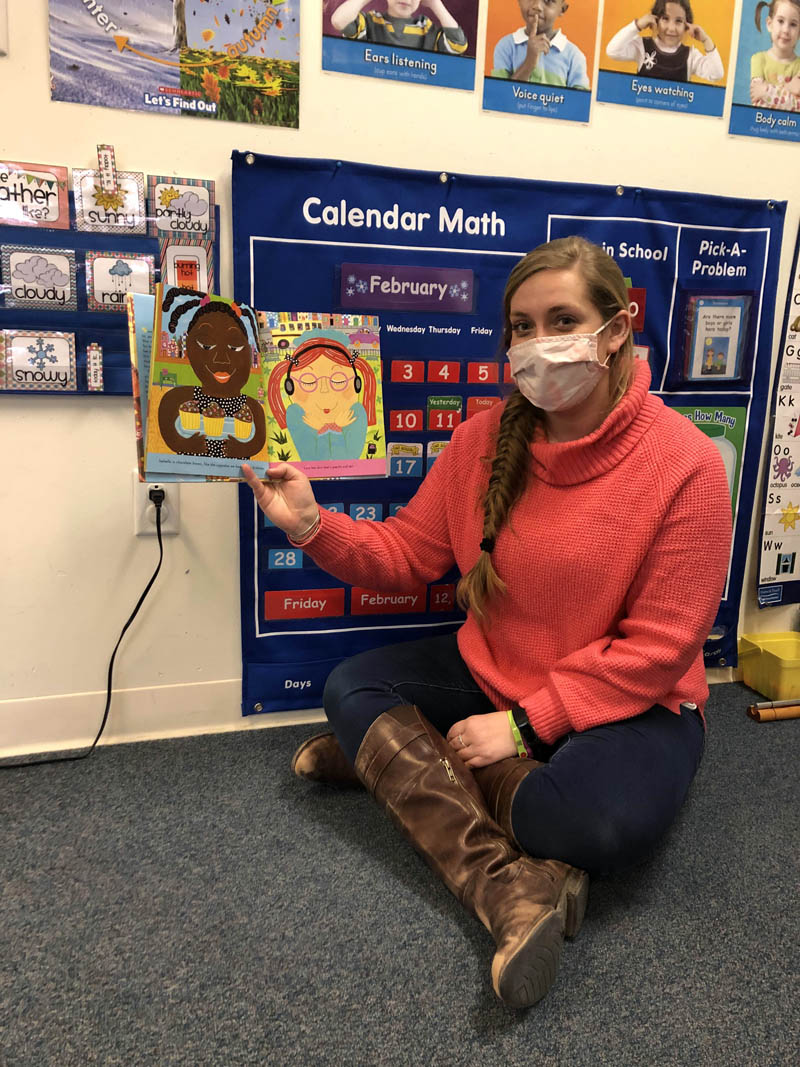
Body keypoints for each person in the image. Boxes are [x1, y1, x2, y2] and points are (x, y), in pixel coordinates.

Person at [242, 236, 732, 1009]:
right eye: (521, 326)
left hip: (637, 703)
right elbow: (405, 555)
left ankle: (405, 765)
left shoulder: (688, 464)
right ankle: (509, 889)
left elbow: (659, 649)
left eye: (562, 318)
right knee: (351, 685)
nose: (539, 344)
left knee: (590, 826)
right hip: (492, 671)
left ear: (617, 327)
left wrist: (525, 727)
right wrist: (310, 526)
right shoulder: (479, 441)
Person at [157, 289, 265, 460]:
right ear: (189, 349)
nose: (221, 359)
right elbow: (168, 431)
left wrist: (244, 448)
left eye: (235, 347)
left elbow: (257, 442)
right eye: (206, 345)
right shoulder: (179, 398)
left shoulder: (252, 408)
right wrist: (183, 443)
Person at [264, 329, 378, 461]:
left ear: (357, 384)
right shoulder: (296, 414)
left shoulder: (356, 413)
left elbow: (348, 460)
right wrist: (323, 430)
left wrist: (335, 429)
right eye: (308, 381)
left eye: (339, 380)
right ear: (290, 387)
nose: (325, 390)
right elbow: (311, 459)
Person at [606, 0, 723, 82]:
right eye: (665, 19)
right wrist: (637, 25)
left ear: (687, 26)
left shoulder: (691, 56)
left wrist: (706, 40)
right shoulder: (642, 46)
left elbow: (716, 74)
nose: (671, 28)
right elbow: (612, 51)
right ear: (655, 20)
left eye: (678, 21)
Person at [491, 0, 590, 88]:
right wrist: (529, 62)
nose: (537, 6)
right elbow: (500, 96)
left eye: (548, 1)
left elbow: (579, 104)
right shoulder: (506, 47)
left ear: (562, 9)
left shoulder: (574, 57)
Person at [330, 0, 468, 55]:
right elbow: (338, 21)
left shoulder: (427, 29)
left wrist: (435, 4)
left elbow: (458, 45)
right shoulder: (369, 22)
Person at [750, 0, 800, 110]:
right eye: (781, 21)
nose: (786, 30)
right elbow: (759, 102)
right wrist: (788, 88)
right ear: (769, 24)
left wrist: (765, 91)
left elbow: (797, 107)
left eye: (793, 24)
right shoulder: (758, 60)